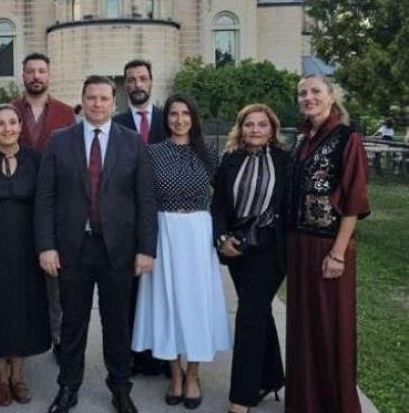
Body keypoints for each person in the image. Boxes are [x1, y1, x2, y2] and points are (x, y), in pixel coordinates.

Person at [36, 75, 157, 413]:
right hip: (72, 248)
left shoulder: (132, 142)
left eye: (104, 98)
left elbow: (145, 200)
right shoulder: (60, 141)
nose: (98, 104)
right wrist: (46, 246)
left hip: (118, 249)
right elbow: (45, 198)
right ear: (83, 99)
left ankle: (120, 388)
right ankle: (68, 387)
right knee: (73, 323)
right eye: (92, 98)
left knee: (116, 323)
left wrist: (146, 249)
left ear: (114, 103)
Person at [131, 92, 231, 410]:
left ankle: (193, 375)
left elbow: (223, 198)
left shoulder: (207, 152)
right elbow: (144, 200)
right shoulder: (152, 153)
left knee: (196, 305)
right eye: (174, 114)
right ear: (166, 119)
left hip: (198, 235)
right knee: (168, 304)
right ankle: (175, 373)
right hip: (164, 234)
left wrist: (222, 234)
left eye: (185, 114)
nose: (179, 119)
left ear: (193, 118)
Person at [285, 74, 370, 413]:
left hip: (328, 249)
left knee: (330, 329)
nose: (308, 98)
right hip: (299, 246)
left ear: (331, 96)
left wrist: (338, 254)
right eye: (302, 93)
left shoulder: (347, 139)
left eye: (315, 91)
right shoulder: (302, 140)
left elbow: (354, 201)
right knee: (303, 328)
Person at [0, 104, 51, 406]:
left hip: (25, 246)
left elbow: (45, 202)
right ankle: (0, 377)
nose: (8, 128)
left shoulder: (35, 159)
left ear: (20, 126)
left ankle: (18, 376)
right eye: (1, 124)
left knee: (22, 309)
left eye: (13, 122)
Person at [211, 104, 289, 413]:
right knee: (258, 312)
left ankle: (241, 398)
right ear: (241, 129)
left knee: (248, 317)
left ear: (272, 130)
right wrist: (222, 239)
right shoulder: (230, 159)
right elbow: (217, 204)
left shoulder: (286, 160)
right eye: (249, 124)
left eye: (262, 124)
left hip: (269, 248)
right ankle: (271, 377)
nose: (255, 129)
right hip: (236, 248)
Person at [12, 52, 76, 359]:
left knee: (56, 280)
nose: (36, 76)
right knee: (21, 278)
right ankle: (21, 339)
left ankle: (60, 339)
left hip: (55, 208)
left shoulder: (66, 113)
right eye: (30, 71)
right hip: (17, 207)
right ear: (23, 75)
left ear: (49, 75)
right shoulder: (9, 111)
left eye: (41, 71)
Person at [112, 58, 169, 378]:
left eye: (142, 78)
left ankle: (162, 354)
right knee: (130, 291)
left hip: (166, 215)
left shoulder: (168, 119)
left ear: (151, 81)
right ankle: (133, 355)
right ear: (125, 84)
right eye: (131, 79)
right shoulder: (116, 123)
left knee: (162, 288)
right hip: (127, 219)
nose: (137, 84)